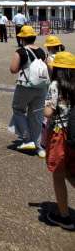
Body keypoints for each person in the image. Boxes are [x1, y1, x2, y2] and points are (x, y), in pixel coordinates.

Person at [44, 51, 75, 230]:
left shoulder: (55, 85)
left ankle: (64, 217)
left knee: (58, 174)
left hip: (60, 134)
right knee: (71, 171)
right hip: (74, 133)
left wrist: (45, 107)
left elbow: (48, 112)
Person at [9, 25, 49, 157]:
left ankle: (27, 138)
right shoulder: (41, 51)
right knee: (37, 116)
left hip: (25, 86)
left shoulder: (20, 52)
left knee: (18, 110)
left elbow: (13, 69)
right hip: (41, 87)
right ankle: (39, 148)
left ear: (22, 38)